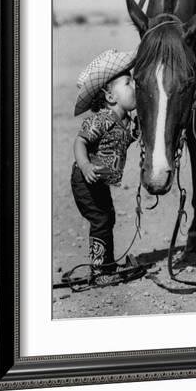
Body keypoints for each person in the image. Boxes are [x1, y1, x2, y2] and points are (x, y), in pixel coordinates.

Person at [67, 48, 139, 286]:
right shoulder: (102, 119)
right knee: (101, 220)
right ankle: (99, 271)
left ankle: (105, 264)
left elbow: (133, 137)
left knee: (107, 218)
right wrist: (85, 164)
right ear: (110, 97)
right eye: (128, 83)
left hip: (99, 181)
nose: (135, 87)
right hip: (85, 178)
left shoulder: (127, 122)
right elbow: (80, 141)